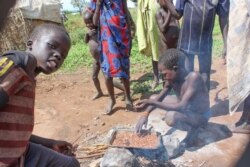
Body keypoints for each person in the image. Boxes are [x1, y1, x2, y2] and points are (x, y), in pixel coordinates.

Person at [0, 23, 80, 167]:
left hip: (21, 152)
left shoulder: (29, 76)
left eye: (63, 55)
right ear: (30, 44)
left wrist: (50, 143)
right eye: (52, 46)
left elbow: (15, 130)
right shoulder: (17, 63)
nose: (58, 55)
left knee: (70, 164)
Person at [135, 49, 210, 146]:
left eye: (165, 74)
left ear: (175, 68)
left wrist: (151, 102)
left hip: (200, 115)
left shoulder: (194, 78)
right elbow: (160, 97)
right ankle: (186, 121)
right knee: (154, 97)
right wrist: (145, 114)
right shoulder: (171, 78)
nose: (164, 78)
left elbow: (182, 107)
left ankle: (194, 129)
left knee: (171, 116)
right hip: (185, 106)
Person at [162, 0, 229, 90]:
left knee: (204, 75)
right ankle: (190, 103)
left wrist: (226, 43)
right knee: (187, 75)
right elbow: (177, 14)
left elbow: (224, 16)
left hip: (205, 42)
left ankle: (204, 102)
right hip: (187, 42)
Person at [88, 0, 134, 114]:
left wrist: (130, 38)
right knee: (107, 71)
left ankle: (128, 98)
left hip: (122, 37)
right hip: (107, 38)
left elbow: (126, 16)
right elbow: (94, 22)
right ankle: (111, 99)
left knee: (124, 69)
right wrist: (99, 4)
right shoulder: (95, 1)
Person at [226, 0, 250, 133]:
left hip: (245, 43)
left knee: (248, 78)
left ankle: (247, 122)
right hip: (239, 44)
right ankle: (245, 119)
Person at [137, 0, 161, 89]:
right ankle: (156, 78)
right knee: (154, 52)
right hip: (151, 28)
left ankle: (167, 78)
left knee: (164, 52)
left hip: (163, 25)